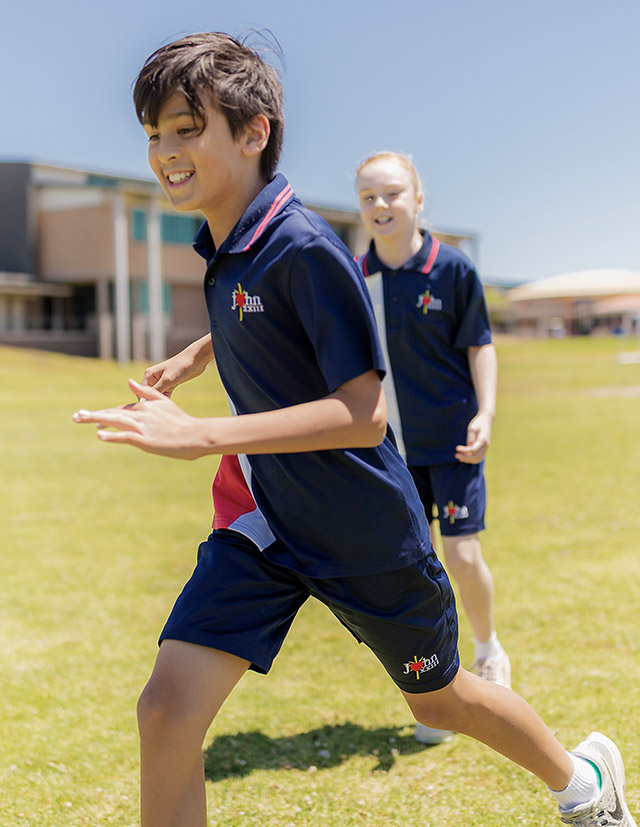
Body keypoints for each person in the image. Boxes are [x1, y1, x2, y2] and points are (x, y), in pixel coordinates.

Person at [72, 32, 636, 827]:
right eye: (153, 132)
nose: (165, 151)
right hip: (264, 520)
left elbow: (364, 414)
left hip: (360, 527)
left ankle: (583, 782)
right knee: (166, 711)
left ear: (254, 132)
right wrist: (198, 354)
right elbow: (262, 317)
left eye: (186, 128)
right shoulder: (226, 244)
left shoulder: (304, 246)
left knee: (440, 700)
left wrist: (202, 434)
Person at [355, 151, 509, 745]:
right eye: (368, 196)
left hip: (454, 441)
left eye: (392, 193)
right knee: (415, 572)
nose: (380, 205)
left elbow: (480, 345)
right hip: (391, 453)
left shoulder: (453, 269)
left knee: (463, 557)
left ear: (418, 200)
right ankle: (439, 693)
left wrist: (486, 413)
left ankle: (488, 651)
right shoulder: (355, 277)